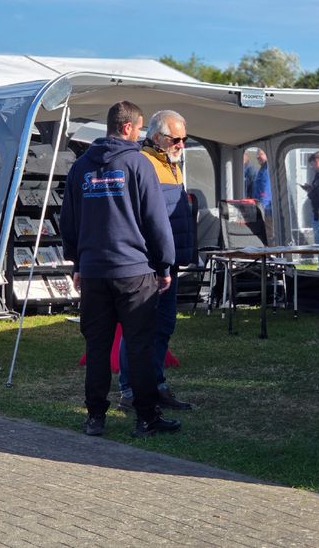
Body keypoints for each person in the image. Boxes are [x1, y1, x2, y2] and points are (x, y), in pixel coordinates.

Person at [60, 101, 181, 438]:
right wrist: (165, 264)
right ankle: (146, 418)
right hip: (134, 272)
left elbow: (68, 220)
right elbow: (155, 219)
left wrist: (77, 262)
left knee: (97, 347)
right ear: (127, 127)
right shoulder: (138, 163)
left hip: (94, 272)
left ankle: (95, 417)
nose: (140, 135)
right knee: (139, 346)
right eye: (139, 129)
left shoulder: (80, 167)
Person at [119, 110, 193, 412]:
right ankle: (129, 390)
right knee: (140, 327)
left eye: (184, 139)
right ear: (157, 137)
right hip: (149, 262)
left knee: (163, 325)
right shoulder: (143, 162)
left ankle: (156, 384)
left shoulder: (172, 163)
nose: (181, 144)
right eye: (176, 139)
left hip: (168, 260)